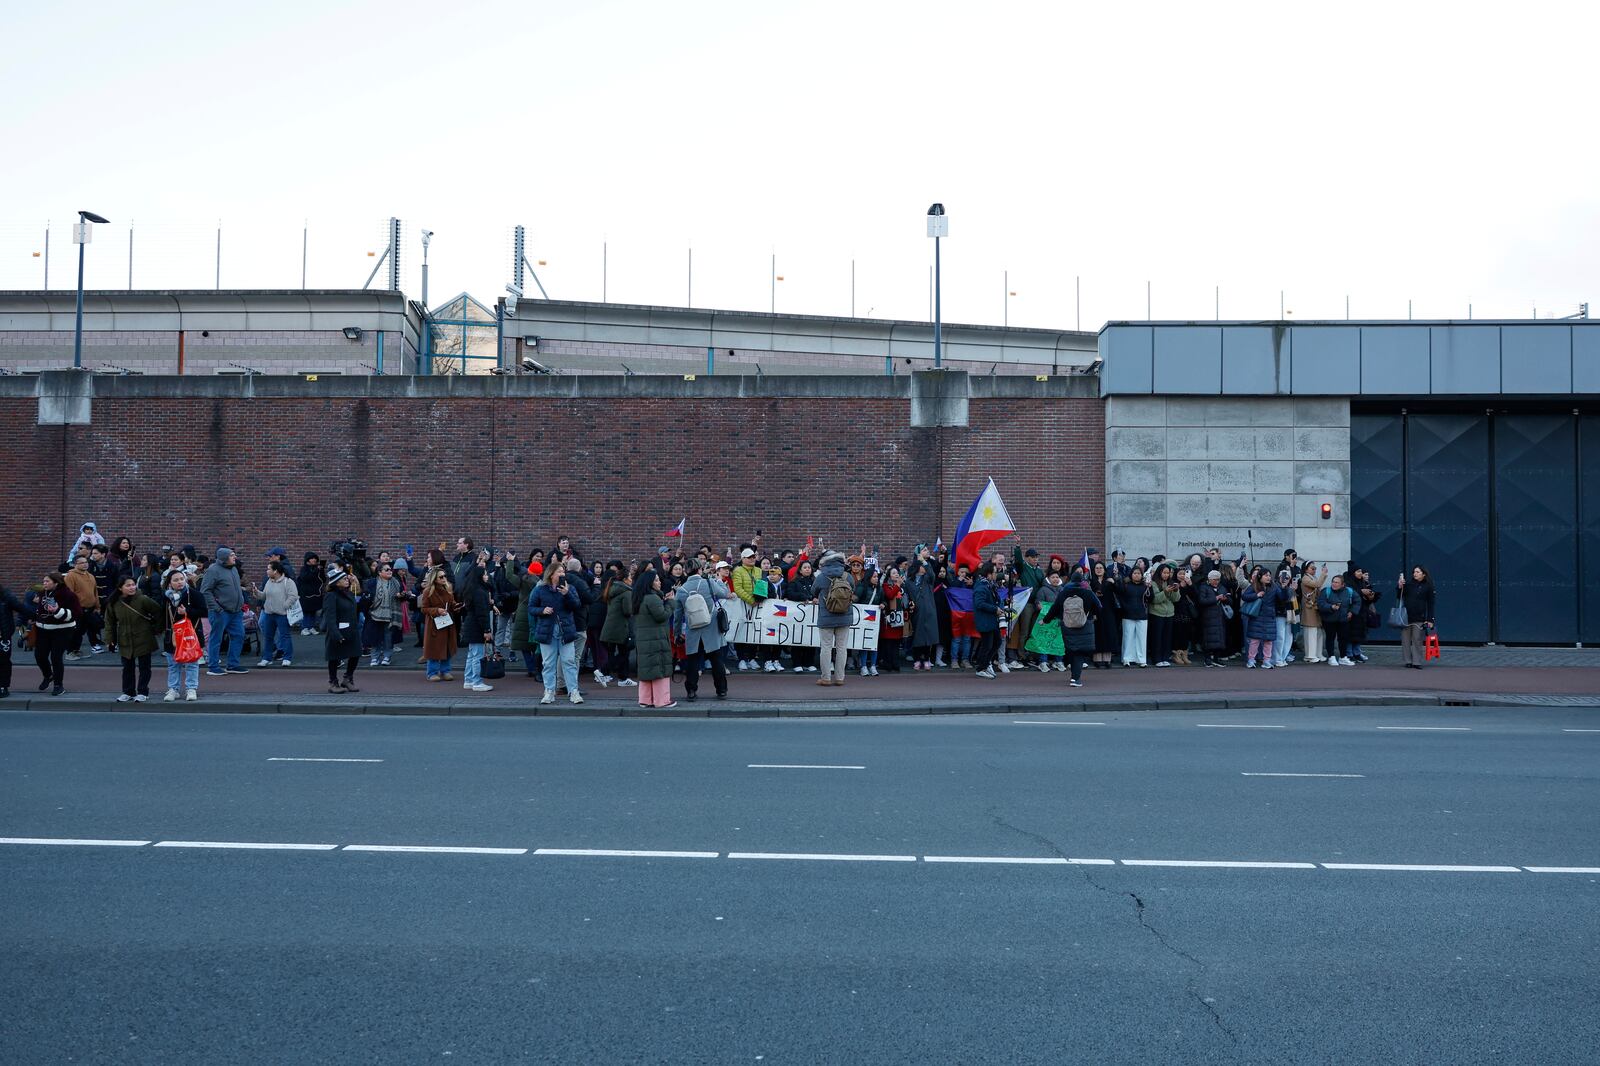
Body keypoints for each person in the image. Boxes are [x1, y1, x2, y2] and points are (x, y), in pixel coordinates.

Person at [675, 560, 730, 700]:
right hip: (711, 627)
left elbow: (678, 616)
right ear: (699, 569)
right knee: (717, 660)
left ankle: (691, 691)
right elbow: (725, 593)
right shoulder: (709, 583)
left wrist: (677, 633)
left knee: (693, 662)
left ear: (686, 571)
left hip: (693, 629)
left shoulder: (681, 590)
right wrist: (718, 581)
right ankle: (721, 690)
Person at [530, 564, 584, 705]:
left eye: (563, 571)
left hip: (565, 631)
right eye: (559, 571)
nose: (562, 574)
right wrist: (542, 610)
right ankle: (549, 691)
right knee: (548, 663)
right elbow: (531, 607)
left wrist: (567, 594)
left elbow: (576, 606)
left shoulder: (570, 588)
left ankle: (573, 691)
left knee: (569, 662)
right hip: (547, 631)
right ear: (551, 574)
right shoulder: (540, 590)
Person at [107, 575, 162, 702]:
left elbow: (158, 611)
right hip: (124, 638)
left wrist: (156, 629)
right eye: (128, 585)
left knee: (144, 667)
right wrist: (110, 639)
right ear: (120, 588)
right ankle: (128, 691)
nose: (132, 587)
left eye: (133, 584)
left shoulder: (142, 599)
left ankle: (143, 691)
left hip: (143, 637)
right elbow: (109, 621)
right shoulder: (114, 602)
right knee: (127, 667)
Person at [632, 569, 677, 709]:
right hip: (656, 638)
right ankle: (662, 700)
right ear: (649, 583)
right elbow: (661, 616)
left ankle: (645, 700)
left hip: (644, 639)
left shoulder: (640, 597)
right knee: (659, 667)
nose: (659, 582)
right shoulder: (652, 598)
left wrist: (663, 599)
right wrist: (671, 603)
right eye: (656, 580)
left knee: (647, 668)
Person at [1046, 569, 1100, 686]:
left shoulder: (1064, 593)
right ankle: (1076, 678)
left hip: (1067, 626)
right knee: (1079, 653)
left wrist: (1045, 620)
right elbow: (1099, 607)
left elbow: (1054, 609)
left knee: (1072, 650)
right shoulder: (1088, 592)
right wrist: (1091, 614)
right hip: (1085, 625)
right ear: (1082, 581)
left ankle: (1073, 675)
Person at [201, 547, 248, 676]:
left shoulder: (233, 569)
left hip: (236, 611)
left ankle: (233, 664)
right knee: (216, 638)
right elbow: (205, 591)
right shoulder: (212, 571)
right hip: (220, 612)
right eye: (232, 555)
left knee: (239, 635)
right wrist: (217, 608)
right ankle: (213, 666)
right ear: (224, 558)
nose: (235, 557)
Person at [31, 572, 80, 694]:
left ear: (56, 583)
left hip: (62, 630)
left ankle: (59, 685)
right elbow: (40, 610)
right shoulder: (43, 593)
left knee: (56, 657)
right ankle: (48, 675)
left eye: (47, 581)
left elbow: (76, 613)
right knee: (40, 656)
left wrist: (58, 611)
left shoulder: (68, 595)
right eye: (44, 581)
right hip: (43, 629)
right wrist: (34, 618)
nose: (44, 584)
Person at [160, 569, 204, 702]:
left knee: (191, 663)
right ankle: (173, 689)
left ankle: (191, 689)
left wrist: (188, 611)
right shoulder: (166, 597)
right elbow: (161, 614)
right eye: (175, 580)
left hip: (190, 634)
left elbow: (204, 611)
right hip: (172, 635)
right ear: (169, 583)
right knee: (173, 664)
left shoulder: (194, 595)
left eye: (181, 579)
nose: (179, 582)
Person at [812, 550, 854, 687]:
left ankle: (826, 678)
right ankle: (840, 678)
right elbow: (853, 589)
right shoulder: (847, 576)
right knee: (842, 648)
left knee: (826, 647)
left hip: (826, 617)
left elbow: (813, 591)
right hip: (845, 616)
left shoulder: (821, 576)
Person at [458, 551, 496, 693]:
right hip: (477, 626)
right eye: (485, 574)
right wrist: (487, 630)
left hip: (470, 624)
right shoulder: (480, 592)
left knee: (471, 654)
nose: (487, 576)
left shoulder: (471, 589)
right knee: (478, 655)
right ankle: (477, 682)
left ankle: (468, 680)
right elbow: (482, 614)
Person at [250, 561, 299, 668]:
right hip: (269, 614)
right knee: (268, 637)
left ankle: (287, 658)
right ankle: (266, 658)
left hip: (282, 614)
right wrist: (256, 592)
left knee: (284, 635)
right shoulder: (269, 581)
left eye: (268, 569)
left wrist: (284, 606)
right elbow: (264, 596)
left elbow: (293, 596)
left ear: (275, 571)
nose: (267, 571)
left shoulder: (288, 582)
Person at [322, 567, 362, 693]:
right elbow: (330, 617)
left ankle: (348, 679)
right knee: (334, 657)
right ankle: (333, 682)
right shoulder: (331, 596)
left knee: (355, 654)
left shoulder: (349, 593)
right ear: (336, 582)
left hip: (352, 631)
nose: (347, 580)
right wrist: (336, 635)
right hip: (338, 631)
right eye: (344, 579)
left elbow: (357, 606)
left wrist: (357, 585)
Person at [598, 564, 635, 688]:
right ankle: (602, 671)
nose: (631, 579)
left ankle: (623, 678)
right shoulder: (626, 592)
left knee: (618, 652)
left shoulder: (612, 589)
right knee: (624, 653)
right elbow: (627, 611)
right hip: (621, 627)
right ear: (624, 579)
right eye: (630, 577)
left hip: (611, 626)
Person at [419, 568, 459, 682]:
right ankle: (432, 672)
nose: (444, 578)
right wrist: (437, 610)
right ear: (434, 579)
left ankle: (445, 671)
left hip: (447, 623)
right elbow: (424, 608)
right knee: (434, 648)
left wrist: (456, 606)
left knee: (447, 647)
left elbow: (451, 603)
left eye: (445, 576)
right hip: (434, 624)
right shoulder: (428, 591)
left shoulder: (448, 589)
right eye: (441, 577)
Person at [362, 561, 404, 668]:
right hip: (375, 613)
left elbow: (402, 597)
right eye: (387, 570)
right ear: (380, 572)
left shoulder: (396, 582)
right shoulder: (372, 583)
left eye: (390, 569)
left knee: (388, 636)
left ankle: (387, 656)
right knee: (375, 636)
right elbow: (366, 597)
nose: (390, 571)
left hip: (391, 614)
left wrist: (401, 596)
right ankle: (374, 657)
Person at [1024, 567, 1066, 671]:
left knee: (1058, 640)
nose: (1055, 579)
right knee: (1043, 640)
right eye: (1053, 577)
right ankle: (1043, 661)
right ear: (1048, 579)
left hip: (1058, 620)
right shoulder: (1043, 590)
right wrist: (1039, 605)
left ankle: (1058, 661)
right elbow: (1038, 601)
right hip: (1046, 620)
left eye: (1057, 577)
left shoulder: (1063, 589)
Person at [1398, 566, 1437, 669]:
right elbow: (1399, 596)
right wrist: (1399, 587)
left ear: (1423, 574)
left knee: (1417, 639)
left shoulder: (1428, 586)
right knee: (1405, 640)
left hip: (1420, 617)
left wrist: (1430, 619)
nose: (1415, 574)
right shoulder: (1408, 584)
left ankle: (1417, 661)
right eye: (1414, 572)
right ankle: (1408, 661)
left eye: (1418, 572)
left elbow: (1431, 603)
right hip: (1406, 616)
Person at [1240, 570, 1281, 669]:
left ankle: (1266, 660)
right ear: (1260, 576)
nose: (1268, 577)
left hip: (1269, 616)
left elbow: (1282, 598)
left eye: (1269, 575)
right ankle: (1251, 659)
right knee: (1255, 639)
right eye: (1266, 575)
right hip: (1256, 616)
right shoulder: (1254, 586)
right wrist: (1256, 595)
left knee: (1268, 640)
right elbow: (1244, 596)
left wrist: (1284, 587)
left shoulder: (1274, 586)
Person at [905, 560, 940, 671]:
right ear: (917, 567)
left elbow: (932, 574)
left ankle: (926, 659)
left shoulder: (927, 579)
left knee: (928, 637)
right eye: (922, 565)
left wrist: (925, 561)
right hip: (916, 611)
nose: (924, 567)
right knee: (917, 636)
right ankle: (917, 660)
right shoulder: (909, 582)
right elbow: (907, 596)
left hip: (929, 611)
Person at [1317, 573, 1358, 667]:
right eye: (1333, 582)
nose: (1334, 584)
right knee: (1330, 638)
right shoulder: (1326, 591)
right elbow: (1320, 603)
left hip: (1344, 619)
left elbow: (1357, 601)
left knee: (1343, 639)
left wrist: (1352, 612)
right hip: (1329, 620)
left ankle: (1343, 657)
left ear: (1342, 584)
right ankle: (1331, 657)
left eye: (1337, 582)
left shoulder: (1349, 591)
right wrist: (1331, 607)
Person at [0, 581, 31, 698]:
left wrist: (37, 617)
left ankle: (3, 687)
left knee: (3, 661)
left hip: (3, 635)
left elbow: (21, 608)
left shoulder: (6, 596)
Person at [971, 562, 1002, 679]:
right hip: (985, 620)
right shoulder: (981, 586)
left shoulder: (989, 585)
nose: (996, 575)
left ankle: (985, 663)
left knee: (997, 642)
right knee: (987, 645)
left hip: (991, 620)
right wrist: (995, 609)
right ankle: (981, 667)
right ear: (988, 574)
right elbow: (979, 604)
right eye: (994, 572)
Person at [1116, 564, 1150, 668]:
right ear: (1131, 574)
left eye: (1139, 573)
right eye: (1135, 573)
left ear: (1142, 575)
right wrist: (1125, 608)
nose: (1136, 575)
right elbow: (1120, 597)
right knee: (1128, 637)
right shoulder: (1126, 585)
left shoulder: (1145, 586)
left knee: (1141, 638)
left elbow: (1150, 598)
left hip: (1142, 614)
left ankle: (1142, 659)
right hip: (1128, 614)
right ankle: (1126, 658)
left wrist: (1150, 587)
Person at [1147, 563, 1180, 667]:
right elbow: (1155, 599)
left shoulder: (1171, 582)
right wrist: (1165, 592)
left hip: (1169, 613)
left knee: (1167, 637)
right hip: (1157, 613)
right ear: (1159, 572)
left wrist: (1176, 590)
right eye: (1164, 572)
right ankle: (1156, 659)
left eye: (1168, 573)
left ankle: (1165, 658)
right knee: (1157, 637)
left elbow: (1176, 599)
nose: (1166, 575)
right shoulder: (1153, 583)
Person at [1089, 561, 1120, 669]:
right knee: (1097, 634)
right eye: (1097, 568)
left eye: (1101, 568)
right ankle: (1097, 659)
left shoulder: (1109, 580)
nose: (1098, 570)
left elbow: (1119, 591)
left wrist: (1114, 581)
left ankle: (1107, 659)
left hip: (1108, 610)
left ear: (1104, 569)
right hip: (1096, 610)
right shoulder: (1091, 581)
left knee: (1108, 633)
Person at [1196, 570, 1230, 668]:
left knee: (1220, 638)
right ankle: (1207, 659)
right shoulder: (1204, 587)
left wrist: (1225, 599)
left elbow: (1230, 600)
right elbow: (1202, 601)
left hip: (1220, 617)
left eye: (1218, 579)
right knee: (1208, 639)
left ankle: (1216, 658)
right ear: (1209, 579)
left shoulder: (1222, 587)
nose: (1216, 581)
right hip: (1208, 617)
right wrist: (1216, 598)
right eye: (1214, 580)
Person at [1299, 562, 1325, 664]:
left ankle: (1318, 653)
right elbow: (1317, 585)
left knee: (1318, 632)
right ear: (1306, 569)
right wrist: (1323, 574)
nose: (1314, 569)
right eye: (1312, 568)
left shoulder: (1313, 578)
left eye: (1315, 567)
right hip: (1309, 608)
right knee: (1311, 632)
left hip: (1315, 607)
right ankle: (1310, 655)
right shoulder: (1305, 578)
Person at [1271, 569, 1297, 668]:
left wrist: (1293, 589)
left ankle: (1282, 657)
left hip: (1290, 614)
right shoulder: (1275, 586)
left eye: (1287, 577)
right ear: (1279, 577)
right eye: (1283, 577)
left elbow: (1294, 600)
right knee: (1280, 637)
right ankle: (1276, 659)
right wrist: (1288, 589)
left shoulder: (1289, 587)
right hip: (1279, 614)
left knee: (1288, 637)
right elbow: (1281, 599)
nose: (1285, 579)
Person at [296, 552, 325, 637]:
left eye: (315, 558)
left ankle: (311, 627)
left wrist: (321, 570)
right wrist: (316, 570)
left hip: (316, 593)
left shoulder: (317, 569)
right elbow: (306, 578)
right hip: (306, 594)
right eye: (312, 558)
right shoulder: (304, 569)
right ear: (307, 560)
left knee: (313, 611)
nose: (314, 560)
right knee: (306, 611)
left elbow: (323, 579)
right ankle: (304, 628)